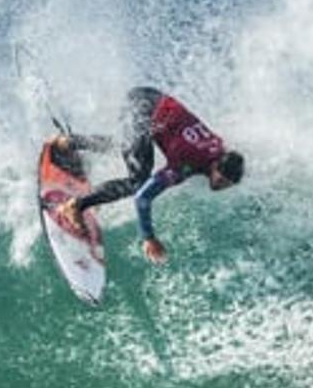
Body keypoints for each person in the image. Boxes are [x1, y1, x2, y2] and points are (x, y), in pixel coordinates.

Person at [51, 87, 244, 265]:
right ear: (216, 165)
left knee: (130, 147)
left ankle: (69, 143)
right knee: (138, 180)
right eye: (220, 180)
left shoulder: (219, 149)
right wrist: (149, 238)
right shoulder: (188, 162)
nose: (220, 186)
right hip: (141, 110)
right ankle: (75, 205)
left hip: (149, 98)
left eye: (226, 185)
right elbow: (142, 197)